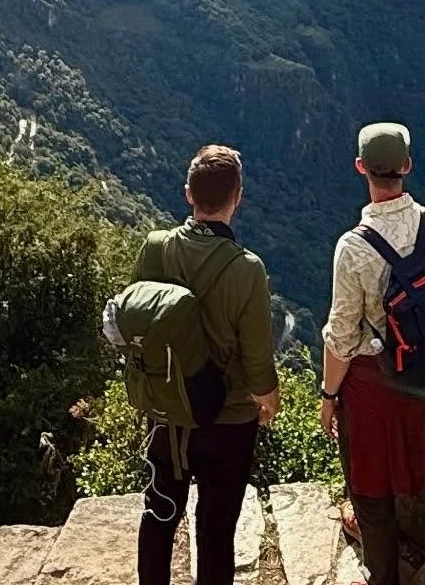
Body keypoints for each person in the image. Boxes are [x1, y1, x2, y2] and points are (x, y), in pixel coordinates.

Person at [321, 123, 425, 585]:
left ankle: (383, 572)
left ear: (361, 168)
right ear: (407, 167)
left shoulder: (353, 247)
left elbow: (341, 336)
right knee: (407, 457)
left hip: (371, 382)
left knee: (369, 484)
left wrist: (328, 395)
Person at [134, 145, 281, 585]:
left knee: (160, 509)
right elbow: (257, 356)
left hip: (168, 411)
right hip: (229, 418)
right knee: (216, 527)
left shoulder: (156, 248)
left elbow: (138, 317)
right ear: (238, 197)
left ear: (187, 195)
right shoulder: (246, 269)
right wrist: (268, 399)